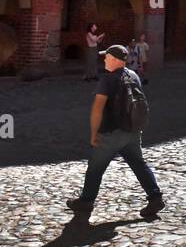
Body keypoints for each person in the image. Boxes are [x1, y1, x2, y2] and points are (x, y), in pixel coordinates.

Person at [66, 45, 163, 222]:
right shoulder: (133, 75)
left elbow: (97, 107)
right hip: (132, 131)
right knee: (139, 165)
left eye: (106, 57)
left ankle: (86, 201)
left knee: (95, 169)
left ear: (114, 59)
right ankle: (155, 197)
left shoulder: (108, 80)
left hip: (111, 133)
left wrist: (94, 133)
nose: (104, 60)